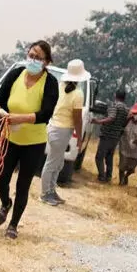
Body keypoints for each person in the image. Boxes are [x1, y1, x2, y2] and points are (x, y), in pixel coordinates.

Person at [0, 41, 59, 239]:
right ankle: (5, 203)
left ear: (46, 62)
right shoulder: (16, 74)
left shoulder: (50, 83)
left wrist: (19, 118)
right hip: (9, 138)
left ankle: (13, 224)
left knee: (23, 184)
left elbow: (46, 113)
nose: (33, 60)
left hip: (33, 143)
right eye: (31, 55)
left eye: (38, 57)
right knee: (1, 178)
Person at [40, 59, 90, 205]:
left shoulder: (60, 86)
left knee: (58, 163)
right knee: (52, 163)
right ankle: (45, 194)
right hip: (61, 131)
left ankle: (51, 191)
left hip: (55, 128)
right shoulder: (78, 94)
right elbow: (77, 120)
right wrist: (80, 138)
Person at [92, 90, 130, 183]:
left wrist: (98, 121)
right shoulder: (126, 109)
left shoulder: (114, 106)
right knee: (109, 157)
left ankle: (102, 176)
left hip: (107, 135)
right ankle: (108, 176)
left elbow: (111, 117)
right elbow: (125, 122)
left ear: (115, 95)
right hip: (116, 137)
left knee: (99, 157)